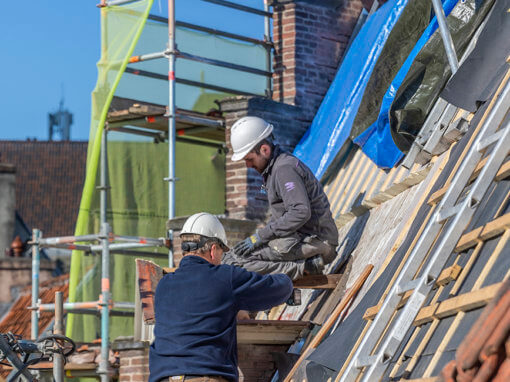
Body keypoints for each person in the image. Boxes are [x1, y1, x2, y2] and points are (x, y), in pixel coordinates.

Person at [149, 212, 293, 382]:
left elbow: (196, 313)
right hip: (204, 376)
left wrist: (230, 307)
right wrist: (288, 275)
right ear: (212, 249)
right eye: (221, 253)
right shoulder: (225, 277)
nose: (221, 259)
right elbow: (278, 288)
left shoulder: (164, 286)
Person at [222, 116, 339, 280]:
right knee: (231, 257)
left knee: (236, 262)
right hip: (300, 239)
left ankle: (304, 267)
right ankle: (303, 266)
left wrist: (260, 237)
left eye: (249, 159)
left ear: (264, 150)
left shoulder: (284, 170)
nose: (248, 165)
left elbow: (300, 212)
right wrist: (259, 238)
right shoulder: (274, 170)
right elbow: (281, 218)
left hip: (317, 243)